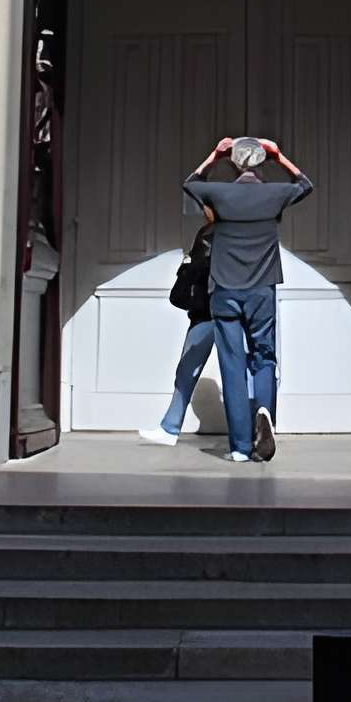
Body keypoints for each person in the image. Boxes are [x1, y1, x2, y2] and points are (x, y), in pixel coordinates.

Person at [182, 134, 313, 464]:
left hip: (224, 291)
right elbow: (304, 183)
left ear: (235, 163)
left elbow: (191, 182)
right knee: (264, 356)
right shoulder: (275, 194)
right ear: (260, 162)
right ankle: (265, 410)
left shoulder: (219, 193)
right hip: (261, 291)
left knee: (232, 366)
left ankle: (240, 447)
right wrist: (279, 156)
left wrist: (215, 154)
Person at [138, 209, 215, 448]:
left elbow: (203, 268)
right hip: (206, 310)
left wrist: (190, 264)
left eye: (206, 205)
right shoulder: (207, 232)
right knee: (186, 370)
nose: (203, 210)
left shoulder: (219, 234)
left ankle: (170, 429)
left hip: (216, 310)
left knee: (195, 370)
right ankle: (169, 428)